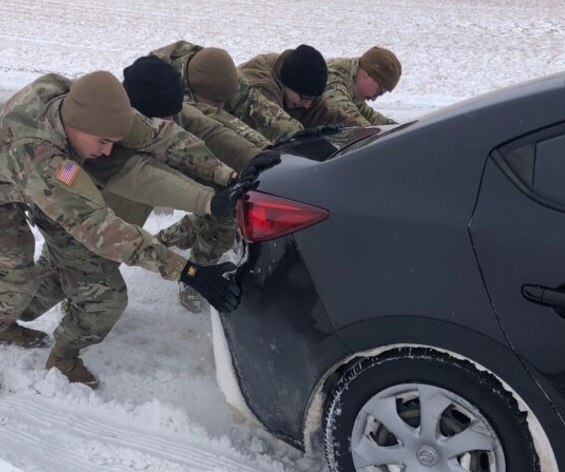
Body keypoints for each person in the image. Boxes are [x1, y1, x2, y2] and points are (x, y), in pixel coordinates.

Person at [0, 71, 241, 396]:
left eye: (113, 142)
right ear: (78, 127)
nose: (107, 153)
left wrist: (227, 176)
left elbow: (160, 136)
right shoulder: (39, 158)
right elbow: (99, 229)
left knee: (14, 280)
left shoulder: (79, 101)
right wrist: (189, 272)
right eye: (102, 143)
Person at [20, 57, 255, 337]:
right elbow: (144, 179)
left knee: (95, 275)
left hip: (119, 231)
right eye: (162, 119)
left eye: (172, 116)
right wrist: (190, 267)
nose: (170, 123)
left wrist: (260, 159)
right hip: (86, 226)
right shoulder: (102, 142)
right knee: (49, 288)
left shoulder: (162, 114)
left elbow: (211, 131)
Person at [148, 41, 269, 171]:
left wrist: (265, 148)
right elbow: (210, 125)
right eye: (216, 102)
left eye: (225, 101)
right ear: (192, 90)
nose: (221, 107)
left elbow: (255, 105)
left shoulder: (216, 73)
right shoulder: (157, 92)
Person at [225, 44, 351, 145]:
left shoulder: (292, 74)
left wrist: (361, 133)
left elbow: (326, 112)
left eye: (312, 99)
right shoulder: (262, 88)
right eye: (305, 99)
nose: (307, 105)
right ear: (288, 83)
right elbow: (276, 129)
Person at [324, 47, 401, 126]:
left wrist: (397, 129)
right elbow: (347, 115)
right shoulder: (334, 77)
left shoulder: (353, 82)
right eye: (378, 92)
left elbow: (369, 115)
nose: (373, 99)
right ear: (367, 74)